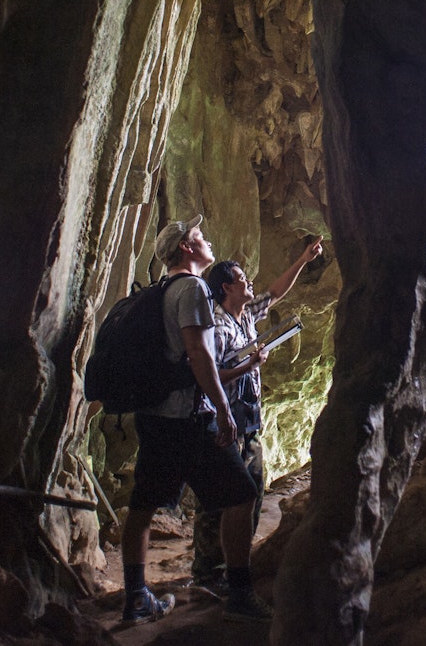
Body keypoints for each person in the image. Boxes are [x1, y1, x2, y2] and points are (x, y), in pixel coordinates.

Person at [119, 215, 272, 626]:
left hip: (153, 418)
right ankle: (239, 592)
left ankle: (135, 597)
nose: (207, 242)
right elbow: (200, 355)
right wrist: (223, 411)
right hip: (187, 419)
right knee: (241, 493)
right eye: (199, 237)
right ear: (185, 248)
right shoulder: (192, 289)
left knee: (142, 507)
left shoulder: (160, 290)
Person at [190, 236, 324, 588]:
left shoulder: (245, 315)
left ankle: (235, 561)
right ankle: (206, 571)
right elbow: (209, 374)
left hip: (248, 421)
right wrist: (248, 365)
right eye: (241, 279)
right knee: (218, 498)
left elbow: (276, 293)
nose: (248, 282)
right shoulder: (217, 326)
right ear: (225, 288)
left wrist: (303, 259)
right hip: (224, 420)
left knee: (252, 490)